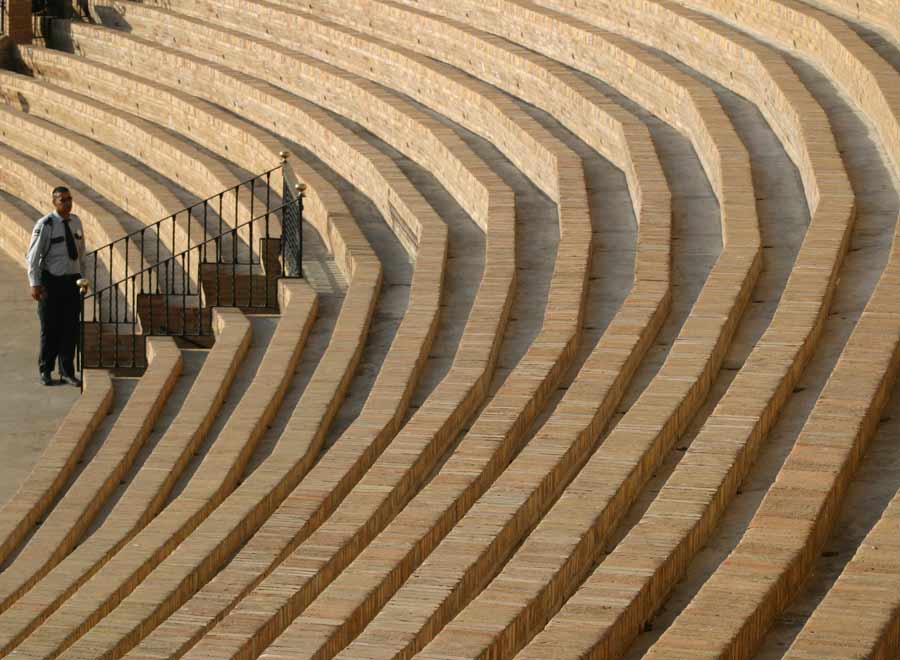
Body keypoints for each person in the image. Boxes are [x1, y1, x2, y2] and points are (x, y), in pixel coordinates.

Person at [25, 187, 85, 386]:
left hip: (72, 282)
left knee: (70, 328)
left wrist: (84, 277)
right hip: (52, 282)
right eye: (62, 200)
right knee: (50, 328)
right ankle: (46, 369)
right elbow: (32, 257)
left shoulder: (76, 221)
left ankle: (67, 371)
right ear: (54, 202)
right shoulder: (46, 225)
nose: (67, 203)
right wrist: (35, 284)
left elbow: (81, 252)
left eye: (69, 199)